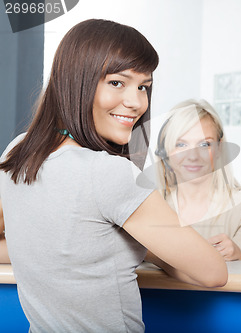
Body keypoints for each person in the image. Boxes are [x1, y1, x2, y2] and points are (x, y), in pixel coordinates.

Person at [0, 19, 227, 333]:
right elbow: (213, 271)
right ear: (76, 81)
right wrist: (145, 242)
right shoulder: (108, 173)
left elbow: (43, 240)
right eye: (117, 83)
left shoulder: (18, 153)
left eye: (143, 86)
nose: (136, 102)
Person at [153, 99, 241, 261]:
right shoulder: (150, 207)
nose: (193, 156)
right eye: (181, 145)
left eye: (204, 145)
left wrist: (239, 255)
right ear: (164, 151)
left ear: (219, 149)